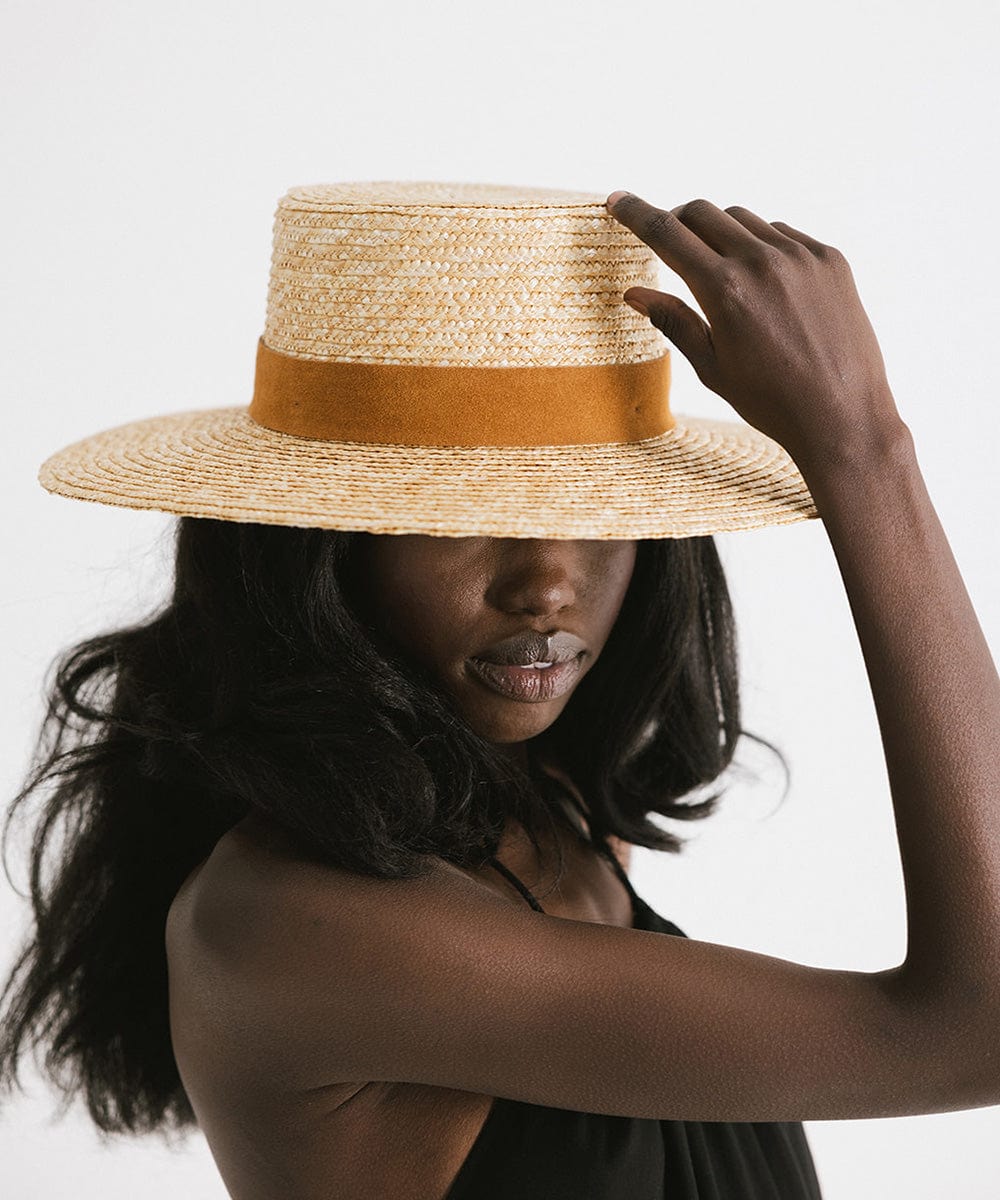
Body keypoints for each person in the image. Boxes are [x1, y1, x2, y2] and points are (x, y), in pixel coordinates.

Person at [1, 180, 998, 1200]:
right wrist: (865, 451)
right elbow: (981, 1027)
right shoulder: (297, 929)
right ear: (315, 548)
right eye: (457, 513)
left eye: (596, 510)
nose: (547, 585)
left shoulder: (555, 809)